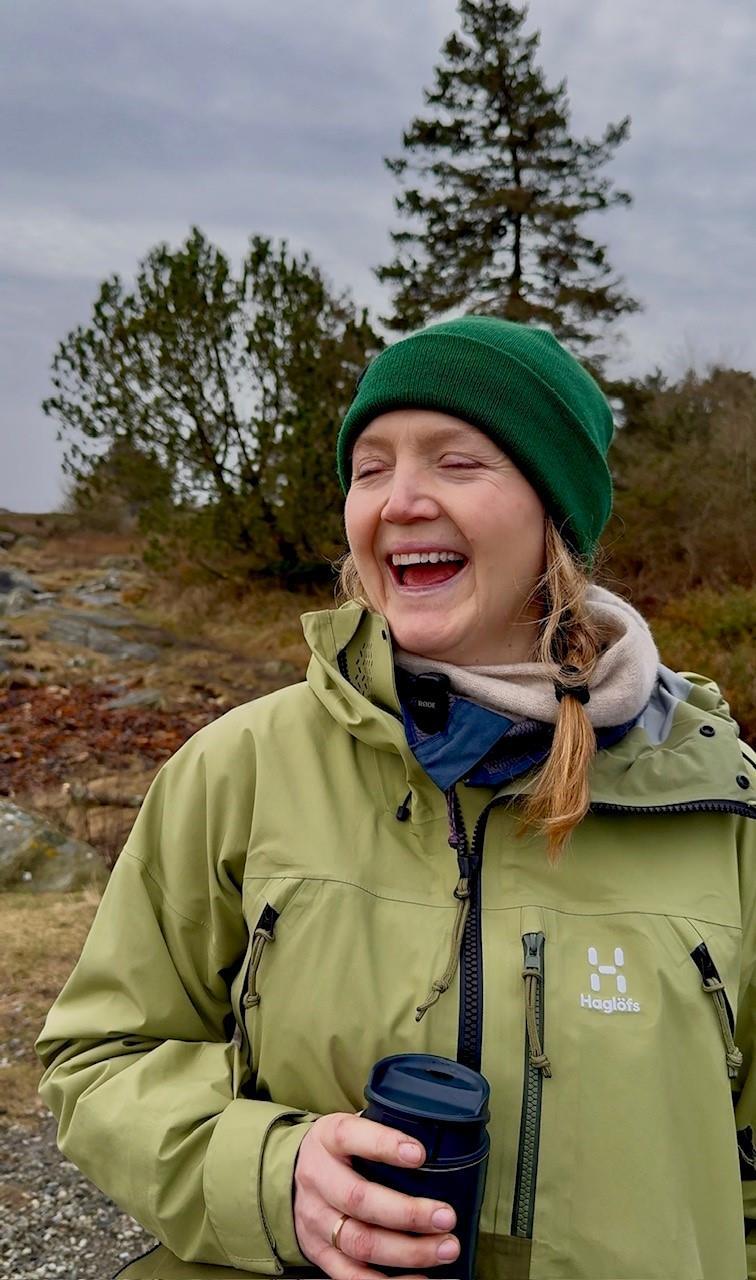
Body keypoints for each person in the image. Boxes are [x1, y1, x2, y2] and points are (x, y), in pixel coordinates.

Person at [37, 316, 755, 1280]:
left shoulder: (723, 806)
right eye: (370, 469)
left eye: (457, 462)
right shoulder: (237, 771)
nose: (400, 500)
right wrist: (273, 1178)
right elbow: (99, 1060)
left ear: (555, 510)